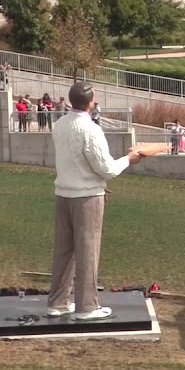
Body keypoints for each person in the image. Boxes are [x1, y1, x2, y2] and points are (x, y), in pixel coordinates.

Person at [47, 81, 150, 321]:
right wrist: (129, 158)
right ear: (90, 102)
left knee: (64, 250)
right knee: (88, 251)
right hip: (86, 198)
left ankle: (58, 302)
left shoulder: (59, 124)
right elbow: (106, 169)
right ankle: (87, 307)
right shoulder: (90, 129)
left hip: (63, 193)